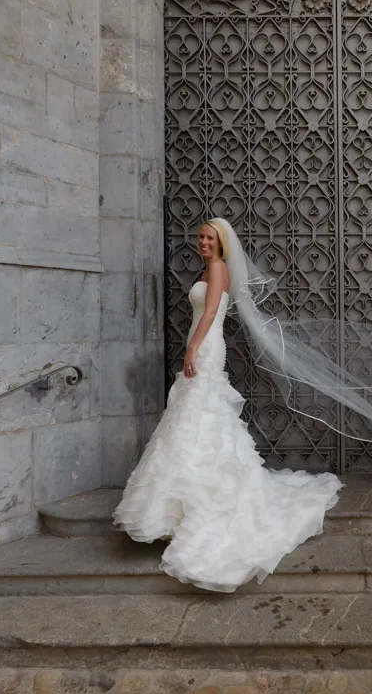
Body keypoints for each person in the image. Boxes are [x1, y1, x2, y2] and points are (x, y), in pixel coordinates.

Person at [113, 218, 343, 592]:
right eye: (201, 236)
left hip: (205, 345)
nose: (203, 242)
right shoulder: (209, 267)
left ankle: (201, 498)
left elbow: (209, 312)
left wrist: (191, 348)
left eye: (210, 238)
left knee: (200, 410)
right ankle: (179, 504)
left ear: (221, 243)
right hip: (200, 343)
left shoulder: (218, 269)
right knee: (191, 414)